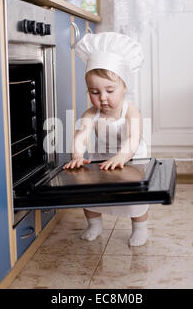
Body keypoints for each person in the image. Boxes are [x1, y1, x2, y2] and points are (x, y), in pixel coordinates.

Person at [63, 32, 149, 246]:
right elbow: (81, 136)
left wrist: (121, 157)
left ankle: (140, 227)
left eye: (110, 90)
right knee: (90, 194)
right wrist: (77, 155)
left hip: (131, 158)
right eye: (94, 91)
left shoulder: (131, 111)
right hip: (102, 158)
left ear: (124, 87)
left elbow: (134, 138)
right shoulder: (91, 114)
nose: (102, 97)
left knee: (133, 196)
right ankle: (94, 224)